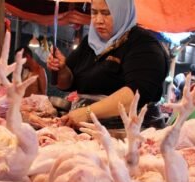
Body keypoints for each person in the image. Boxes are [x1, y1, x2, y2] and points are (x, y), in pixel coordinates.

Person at [47, 0, 169, 128]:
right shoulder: (89, 43)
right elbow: (66, 84)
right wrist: (62, 69)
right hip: (89, 130)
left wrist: (87, 113)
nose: (98, 20)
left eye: (106, 13)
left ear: (122, 12)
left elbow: (136, 94)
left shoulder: (144, 45)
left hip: (131, 133)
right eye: (94, 12)